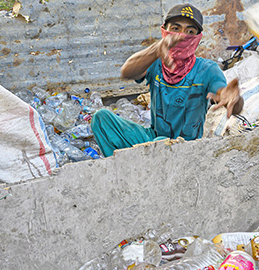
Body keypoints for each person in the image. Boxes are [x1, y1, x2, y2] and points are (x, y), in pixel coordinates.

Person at [91, 4, 244, 157]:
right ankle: (124, 172)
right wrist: (156, 49)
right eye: (175, 29)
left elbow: (227, 97)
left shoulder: (207, 69)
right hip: (153, 138)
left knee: (161, 142)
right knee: (101, 119)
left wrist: (232, 98)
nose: (181, 36)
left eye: (189, 32)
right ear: (164, 31)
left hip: (186, 150)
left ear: (197, 39)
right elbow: (127, 71)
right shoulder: (155, 62)